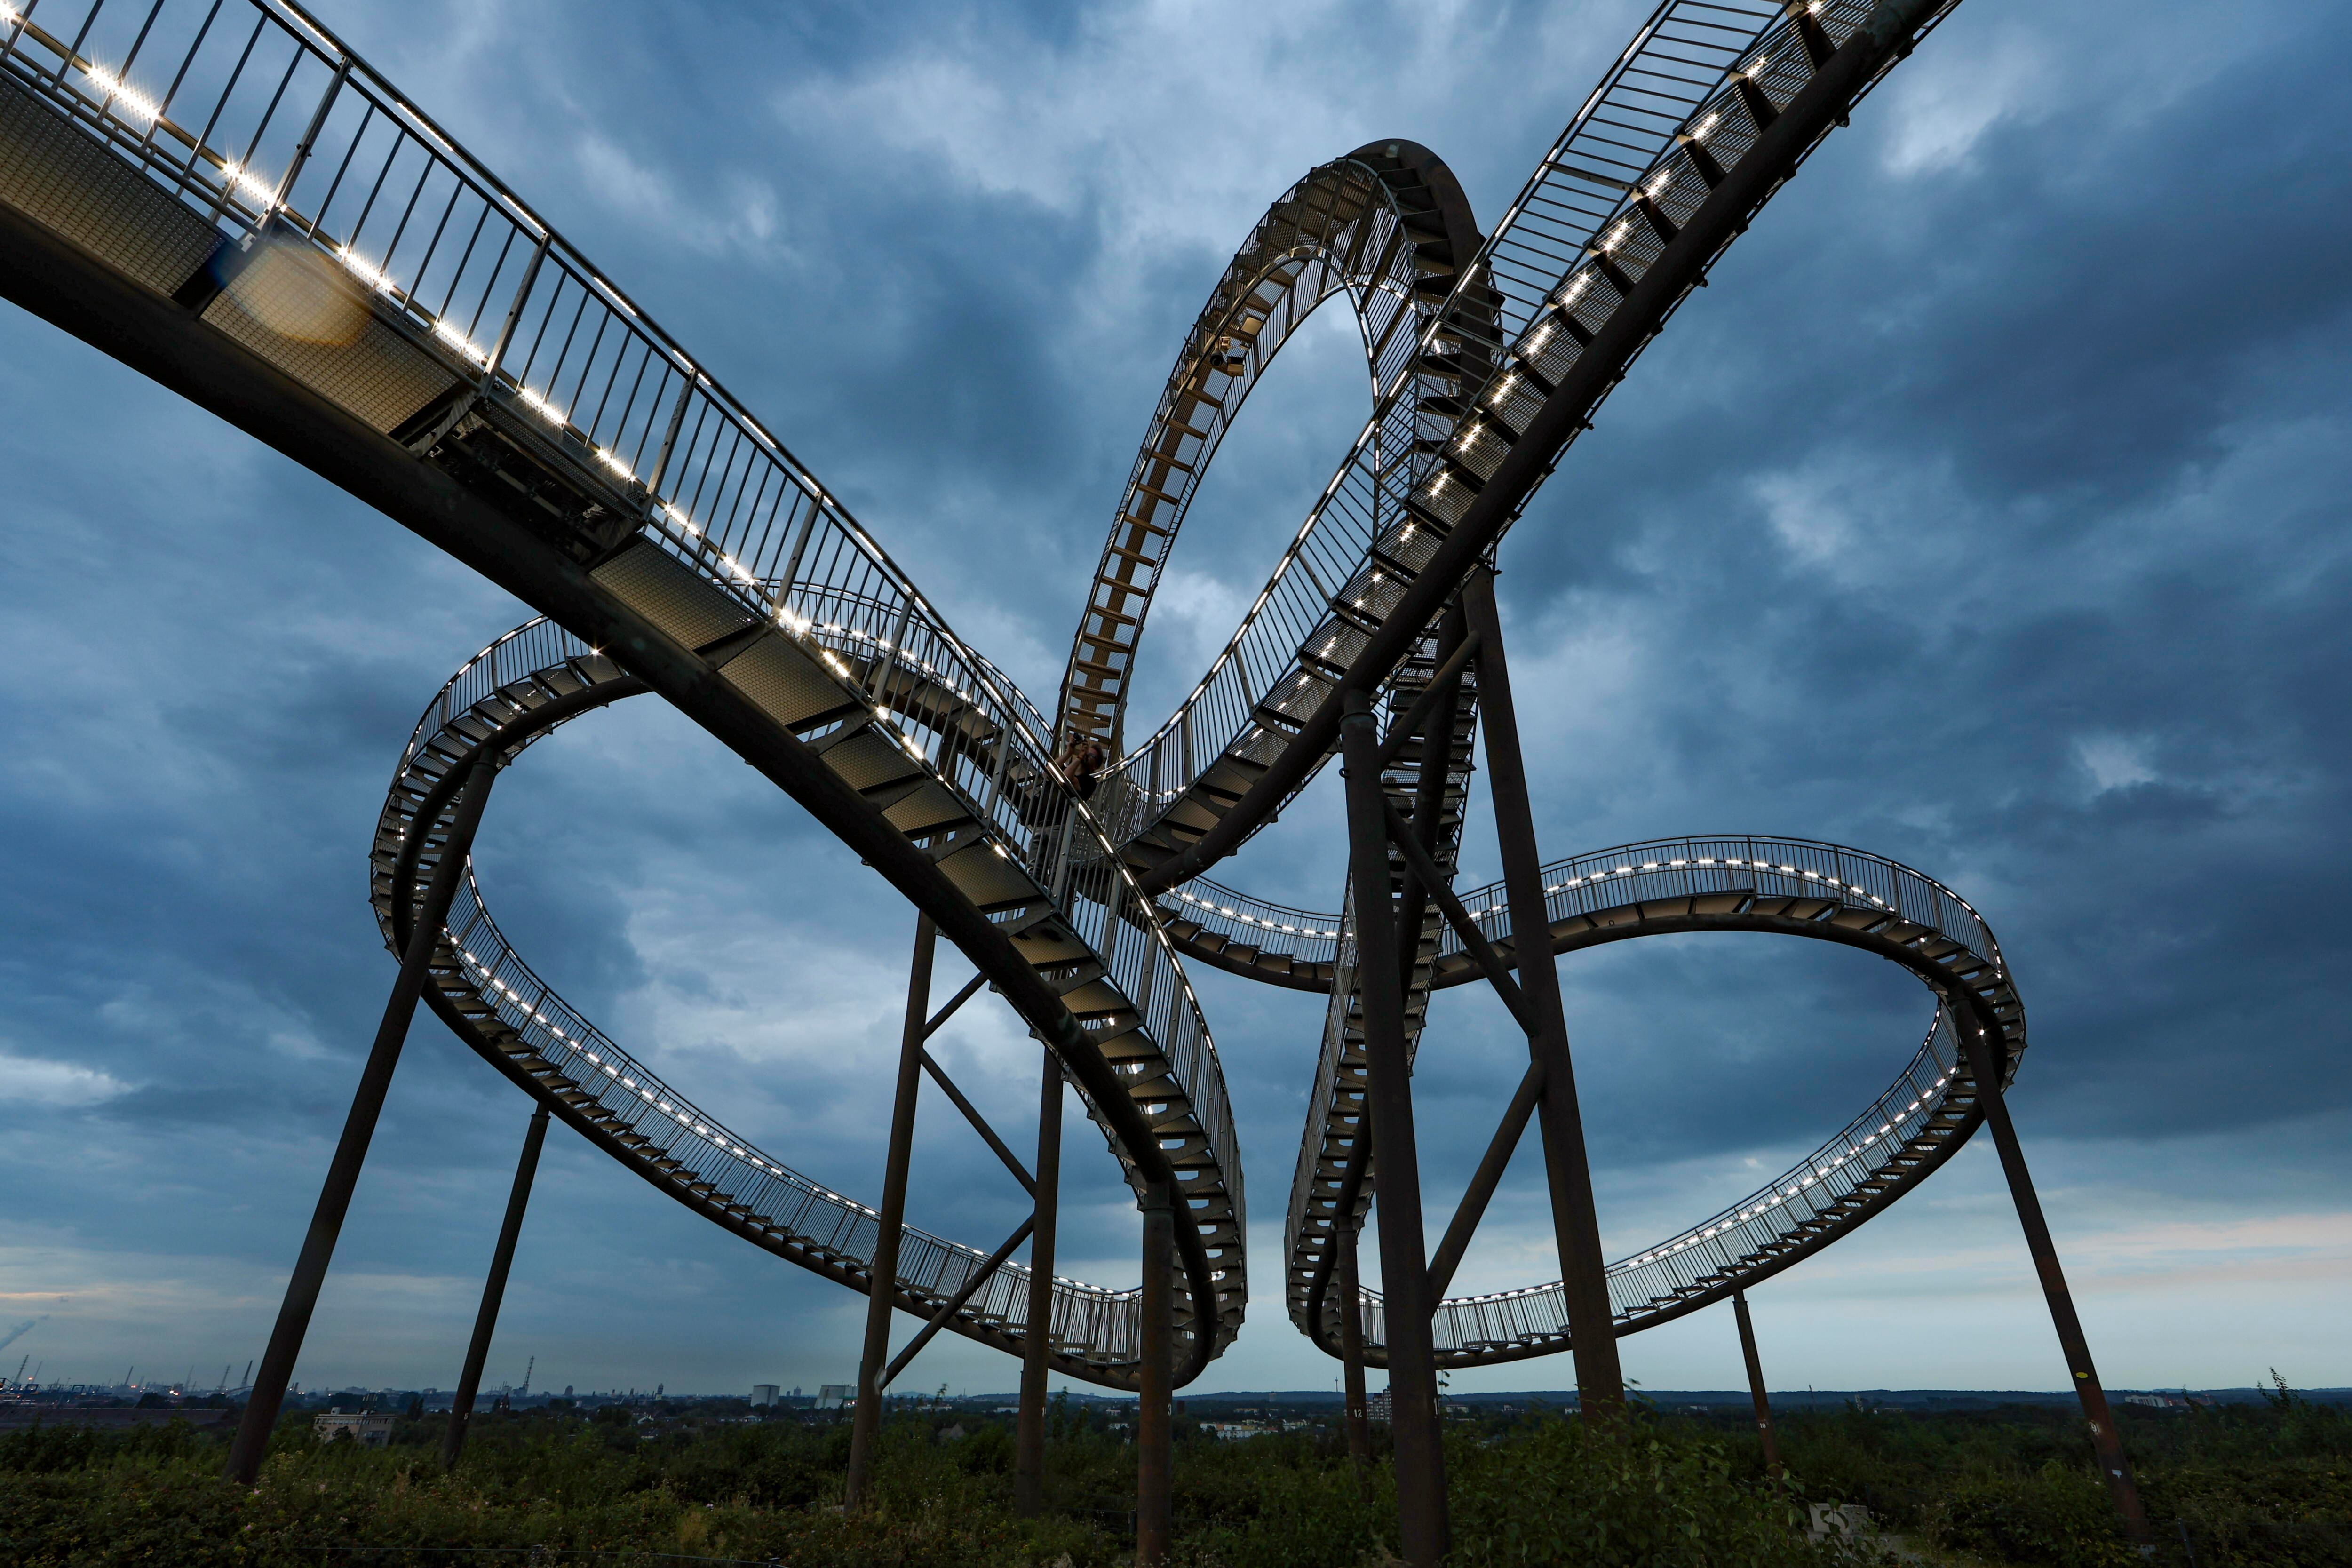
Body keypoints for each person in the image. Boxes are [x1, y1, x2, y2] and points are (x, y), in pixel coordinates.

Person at [1060, 731, 1106, 799]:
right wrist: (1069, 753)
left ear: (1095, 767)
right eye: (1087, 753)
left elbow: (1066, 778)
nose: (1087, 755)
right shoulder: (1067, 769)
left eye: (1091, 755)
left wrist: (1080, 757)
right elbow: (1048, 771)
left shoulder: (1090, 782)